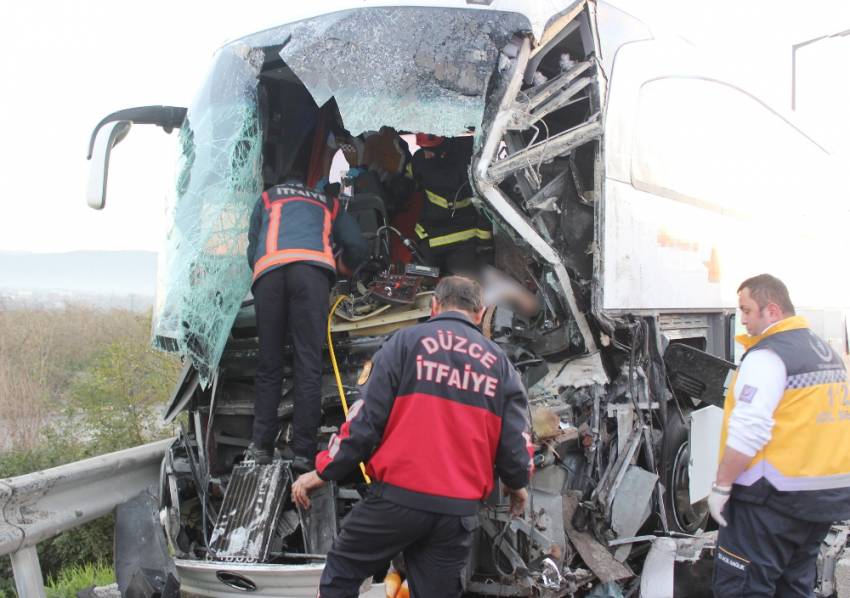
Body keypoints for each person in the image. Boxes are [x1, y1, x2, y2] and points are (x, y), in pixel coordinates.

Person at [292, 275, 533, 597]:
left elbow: (363, 423)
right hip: (456, 512)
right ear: (480, 312)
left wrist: (324, 471)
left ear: (434, 305)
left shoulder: (404, 343)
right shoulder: (501, 366)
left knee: (342, 572)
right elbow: (515, 442)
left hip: (398, 501)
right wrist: (517, 484)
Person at [709, 274, 850, 597]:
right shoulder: (822, 351)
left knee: (743, 588)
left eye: (746, 310)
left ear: (771, 310)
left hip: (769, 502)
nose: (742, 319)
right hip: (818, 505)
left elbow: (749, 432)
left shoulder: (768, 356)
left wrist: (721, 485)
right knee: (793, 587)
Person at [246, 171, 367, 471]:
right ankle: (302, 453)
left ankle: (261, 447)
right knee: (308, 364)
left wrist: (265, 275)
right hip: (311, 277)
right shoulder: (328, 201)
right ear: (309, 184)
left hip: (269, 275)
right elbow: (357, 245)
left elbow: (253, 248)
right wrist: (345, 269)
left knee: (269, 363)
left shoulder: (266, 197)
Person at [410, 134, 493, 275]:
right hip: (430, 237)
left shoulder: (469, 165)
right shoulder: (420, 160)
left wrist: (484, 245)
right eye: (423, 150)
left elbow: (484, 206)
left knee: (461, 285)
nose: (427, 155)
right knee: (418, 277)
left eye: (430, 151)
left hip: (462, 238)